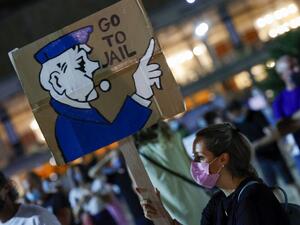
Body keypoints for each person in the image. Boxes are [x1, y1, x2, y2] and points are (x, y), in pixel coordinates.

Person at [34, 26, 162, 162]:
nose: (94, 66)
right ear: (57, 82)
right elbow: (115, 133)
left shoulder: (80, 113)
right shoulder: (70, 124)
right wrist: (141, 94)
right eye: (82, 64)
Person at [138, 123, 290, 225]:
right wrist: (162, 216)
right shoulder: (217, 201)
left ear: (222, 159)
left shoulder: (251, 198)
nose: (195, 164)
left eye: (200, 157)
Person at [134, 121, 210, 225]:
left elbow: (142, 194)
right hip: (202, 200)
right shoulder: (174, 137)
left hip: (180, 215)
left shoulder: (138, 159)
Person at [227, 100, 297, 188]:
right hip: (261, 157)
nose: (232, 116)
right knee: (271, 186)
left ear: (236, 110)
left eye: (232, 114)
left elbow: (272, 135)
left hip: (273, 152)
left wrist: (256, 144)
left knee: (289, 181)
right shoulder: (236, 124)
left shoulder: (256, 114)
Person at [273, 55, 300, 173]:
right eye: (291, 67)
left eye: (296, 65)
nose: (296, 69)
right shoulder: (279, 101)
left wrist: (292, 119)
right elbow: (283, 128)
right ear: (282, 75)